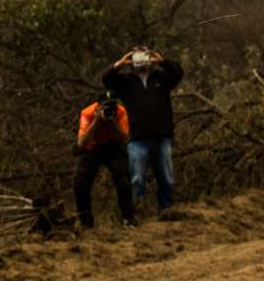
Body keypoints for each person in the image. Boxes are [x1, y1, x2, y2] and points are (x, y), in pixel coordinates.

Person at [102, 47, 184, 214]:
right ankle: (139, 213)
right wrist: (121, 63)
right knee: (137, 178)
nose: (141, 60)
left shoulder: (162, 78)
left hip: (162, 136)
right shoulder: (125, 82)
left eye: (144, 55)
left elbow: (178, 73)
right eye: (137, 56)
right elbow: (106, 79)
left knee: (166, 177)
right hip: (138, 139)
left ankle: (167, 211)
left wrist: (162, 61)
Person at [73, 91, 137, 228]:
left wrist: (113, 123)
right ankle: (85, 221)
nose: (110, 110)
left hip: (113, 146)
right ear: (98, 106)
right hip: (91, 147)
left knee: (123, 178)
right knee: (80, 181)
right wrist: (95, 122)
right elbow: (81, 143)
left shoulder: (120, 112)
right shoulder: (87, 113)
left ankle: (128, 217)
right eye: (106, 107)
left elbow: (126, 140)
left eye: (113, 106)